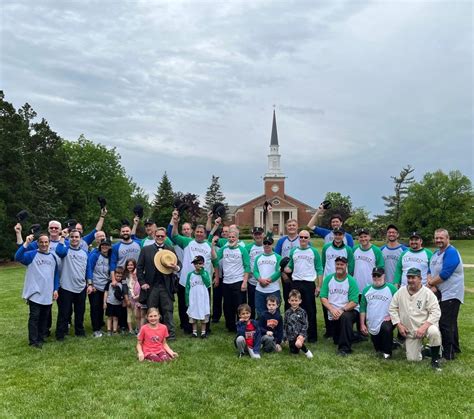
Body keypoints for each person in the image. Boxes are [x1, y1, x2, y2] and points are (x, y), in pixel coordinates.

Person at [389, 267, 442, 370]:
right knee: (412, 359)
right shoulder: (401, 291)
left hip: (426, 326)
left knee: (434, 332)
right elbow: (392, 308)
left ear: (420, 279)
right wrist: (398, 325)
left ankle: (435, 360)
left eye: (413, 277)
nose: (410, 280)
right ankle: (427, 350)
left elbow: (436, 312)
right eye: (408, 277)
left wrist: (424, 327)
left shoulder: (427, 293)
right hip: (411, 331)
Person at [170, 210, 212, 334]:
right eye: (197, 232)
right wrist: (176, 223)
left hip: (204, 281)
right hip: (186, 280)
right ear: (194, 232)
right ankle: (186, 326)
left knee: (205, 304)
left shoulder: (209, 245)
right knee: (185, 304)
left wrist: (216, 276)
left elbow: (214, 261)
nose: (199, 234)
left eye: (201, 232)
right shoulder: (187, 242)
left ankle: (206, 327)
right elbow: (174, 236)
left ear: (205, 234)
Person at [15, 233, 59, 348]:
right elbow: (18, 257)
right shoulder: (31, 255)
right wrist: (26, 243)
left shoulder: (53, 257)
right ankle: (33, 341)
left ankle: (40, 337)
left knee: (44, 318)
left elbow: (55, 275)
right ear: (38, 243)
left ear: (49, 243)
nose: (44, 244)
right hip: (35, 293)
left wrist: (55, 289)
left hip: (47, 293)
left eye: (46, 242)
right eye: (41, 242)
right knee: (35, 317)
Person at [136, 228, 181, 340]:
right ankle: (150, 335)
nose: (160, 238)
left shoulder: (170, 249)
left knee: (168, 310)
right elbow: (139, 268)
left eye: (162, 236)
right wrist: (142, 283)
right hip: (151, 286)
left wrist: (176, 267)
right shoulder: (146, 249)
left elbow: (179, 264)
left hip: (166, 285)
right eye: (158, 236)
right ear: (154, 236)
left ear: (165, 237)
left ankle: (170, 335)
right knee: (151, 310)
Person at [427, 228, 464, 361]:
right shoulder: (436, 253)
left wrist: (431, 283)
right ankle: (455, 347)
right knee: (451, 322)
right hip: (441, 293)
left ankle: (448, 354)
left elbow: (445, 274)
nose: (438, 240)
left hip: (452, 293)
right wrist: (430, 280)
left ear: (448, 238)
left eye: (441, 238)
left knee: (445, 323)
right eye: (436, 238)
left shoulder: (451, 252)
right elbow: (429, 269)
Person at [284, 229, 323, 343]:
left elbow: (319, 269)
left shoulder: (314, 252)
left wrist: (319, 286)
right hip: (296, 282)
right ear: (298, 238)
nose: (303, 239)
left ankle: (312, 336)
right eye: (301, 237)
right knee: (295, 309)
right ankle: (296, 334)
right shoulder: (294, 251)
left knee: (310, 310)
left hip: (309, 283)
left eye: (305, 237)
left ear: (309, 238)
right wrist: (283, 268)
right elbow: (290, 267)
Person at [211, 228, 250, 332]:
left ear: (237, 238)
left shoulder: (242, 250)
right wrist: (212, 246)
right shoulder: (224, 249)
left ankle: (241, 325)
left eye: (233, 237)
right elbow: (215, 260)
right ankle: (230, 326)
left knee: (239, 305)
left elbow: (247, 267)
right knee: (227, 305)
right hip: (226, 282)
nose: (231, 239)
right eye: (229, 237)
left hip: (238, 281)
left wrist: (245, 282)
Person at [320, 256, 359, 356]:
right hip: (333, 312)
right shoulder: (329, 279)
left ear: (346, 265)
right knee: (336, 339)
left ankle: (345, 349)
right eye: (337, 264)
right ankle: (355, 336)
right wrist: (332, 309)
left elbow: (354, 301)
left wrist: (341, 310)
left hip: (349, 311)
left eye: (342, 264)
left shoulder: (351, 280)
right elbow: (323, 297)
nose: (339, 266)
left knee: (345, 318)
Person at [320, 227, 355, 338]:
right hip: (329, 279)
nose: (338, 236)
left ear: (343, 235)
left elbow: (351, 265)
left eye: (340, 234)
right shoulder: (326, 247)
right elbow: (323, 263)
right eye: (336, 234)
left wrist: (349, 278)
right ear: (333, 235)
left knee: (340, 302)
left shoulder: (348, 249)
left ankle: (341, 327)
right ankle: (329, 330)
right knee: (327, 304)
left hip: (343, 279)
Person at [55, 229, 88, 340]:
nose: (74, 239)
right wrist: (63, 237)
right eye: (72, 237)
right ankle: (60, 334)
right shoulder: (65, 250)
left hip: (81, 287)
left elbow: (87, 269)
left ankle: (80, 331)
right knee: (64, 312)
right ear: (69, 238)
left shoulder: (84, 253)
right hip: (66, 286)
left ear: (80, 239)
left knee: (80, 312)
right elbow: (59, 252)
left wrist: (89, 282)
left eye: (76, 237)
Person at [360, 267, 397, 359]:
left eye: (379, 275)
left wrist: (392, 316)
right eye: (374, 276)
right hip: (372, 322)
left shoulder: (391, 289)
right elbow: (362, 309)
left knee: (386, 328)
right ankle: (388, 344)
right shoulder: (366, 290)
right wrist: (362, 324)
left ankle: (387, 354)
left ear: (384, 276)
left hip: (387, 320)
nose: (376, 278)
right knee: (378, 348)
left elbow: (400, 304)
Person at [86, 239, 112, 337]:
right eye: (103, 245)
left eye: (106, 245)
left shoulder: (111, 257)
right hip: (95, 286)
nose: (104, 247)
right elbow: (89, 269)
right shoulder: (95, 255)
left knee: (102, 307)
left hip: (105, 286)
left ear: (110, 247)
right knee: (95, 307)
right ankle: (96, 329)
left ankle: (100, 325)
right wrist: (90, 284)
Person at [253, 236, 282, 318]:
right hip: (260, 290)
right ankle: (262, 330)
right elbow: (255, 271)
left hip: (273, 290)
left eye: (269, 243)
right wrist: (260, 280)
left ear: (272, 244)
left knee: (274, 313)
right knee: (260, 312)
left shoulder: (278, 257)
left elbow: (279, 271)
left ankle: (275, 330)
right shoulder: (258, 258)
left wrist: (268, 280)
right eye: (265, 243)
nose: (267, 245)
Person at [275, 219, 300, 311]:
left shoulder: (302, 239)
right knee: (288, 297)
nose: (291, 227)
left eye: (293, 225)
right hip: (285, 273)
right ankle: (288, 320)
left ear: (297, 226)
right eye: (289, 225)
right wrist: (282, 273)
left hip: (299, 273)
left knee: (299, 298)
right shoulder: (282, 241)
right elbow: (277, 258)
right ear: (286, 227)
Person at [185, 255, 212, 338]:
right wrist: (187, 299)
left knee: (203, 314)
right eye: (196, 264)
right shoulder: (190, 274)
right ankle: (195, 332)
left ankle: (203, 332)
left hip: (203, 297)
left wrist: (202, 273)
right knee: (193, 313)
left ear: (203, 264)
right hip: (193, 297)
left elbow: (208, 283)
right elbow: (187, 287)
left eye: (199, 263)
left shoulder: (205, 273)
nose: (197, 265)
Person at [353, 228, 384, 294]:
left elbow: (380, 268)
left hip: (371, 286)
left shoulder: (376, 250)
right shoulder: (355, 249)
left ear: (369, 237)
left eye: (365, 236)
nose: (363, 239)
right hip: (356, 286)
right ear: (358, 238)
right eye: (361, 237)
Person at [283, 289, 313, 358]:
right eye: (292, 300)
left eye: (296, 300)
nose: (294, 302)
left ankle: (307, 351)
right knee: (294, 352)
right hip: (290, 336)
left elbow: (305, 325)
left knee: (298, 344)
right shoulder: (287, 312)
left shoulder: (302, 312)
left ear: (300, 301)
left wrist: (302, 335)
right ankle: (295, 347)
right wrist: (285, 337)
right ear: (289, 301)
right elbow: (285, 325)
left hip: (300, 335)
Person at [245, 227, 265, 319]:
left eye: (259, 234)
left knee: (264, 302)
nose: (258, 236)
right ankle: (251, 321)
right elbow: (246, 262)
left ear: (263, 235)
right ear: (253, 235)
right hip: (252, 280)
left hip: (265, 280)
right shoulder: (248, 247)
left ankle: (264, 321)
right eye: (256, 234)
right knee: (252, 302)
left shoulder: (267, 246)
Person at [103, 267, 127, 335]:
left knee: (116, 318)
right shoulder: (109, 283)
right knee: (109, 317)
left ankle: (114, 330)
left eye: (120, 276)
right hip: (110, 303)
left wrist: (123, 301)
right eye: (117, 276)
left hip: (118, 304)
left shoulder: (122, 284)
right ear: (114, 275)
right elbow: (106, 292)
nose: (119, 278)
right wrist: (104, 302)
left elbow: (123, 294)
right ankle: (108, 330)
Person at [124, 259, 142, 333]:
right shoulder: (125, 275)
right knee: (129, 313)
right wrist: (126, 299)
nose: (130, 266)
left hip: (137, 298)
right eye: (128, 265)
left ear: (135, 265)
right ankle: (130, 329)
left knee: (137, 315)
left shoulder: (137, 274)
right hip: (129, 297)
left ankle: (138, 328)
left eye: (131, 265)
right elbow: (124, 287)